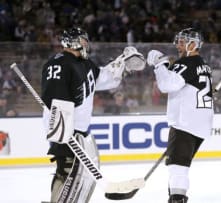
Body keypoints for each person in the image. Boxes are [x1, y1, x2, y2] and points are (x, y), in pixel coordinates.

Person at [41, 27, 144, 202]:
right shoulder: (59, 62)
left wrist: (120, 65)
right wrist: (63, 131)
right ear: (72, 42)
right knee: (67, 170)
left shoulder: (85, 63)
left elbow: (99, 79)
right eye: (82, 40)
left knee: (80, 177)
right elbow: (53, 97)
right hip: (64, 128)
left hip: (78, 130)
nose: (86, 44)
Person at [147, 28, 213, 203]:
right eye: (178, 41)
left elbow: (167, 85)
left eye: (183, 42)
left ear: (194, 44)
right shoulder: (203, 64)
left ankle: (177, 199)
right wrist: (167, 66)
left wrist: (159, 65)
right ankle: (176, 196)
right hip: (199, 124)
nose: (178, 45)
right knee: (178, 166)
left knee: (178, 168)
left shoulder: (187, 63)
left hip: (185, 123)